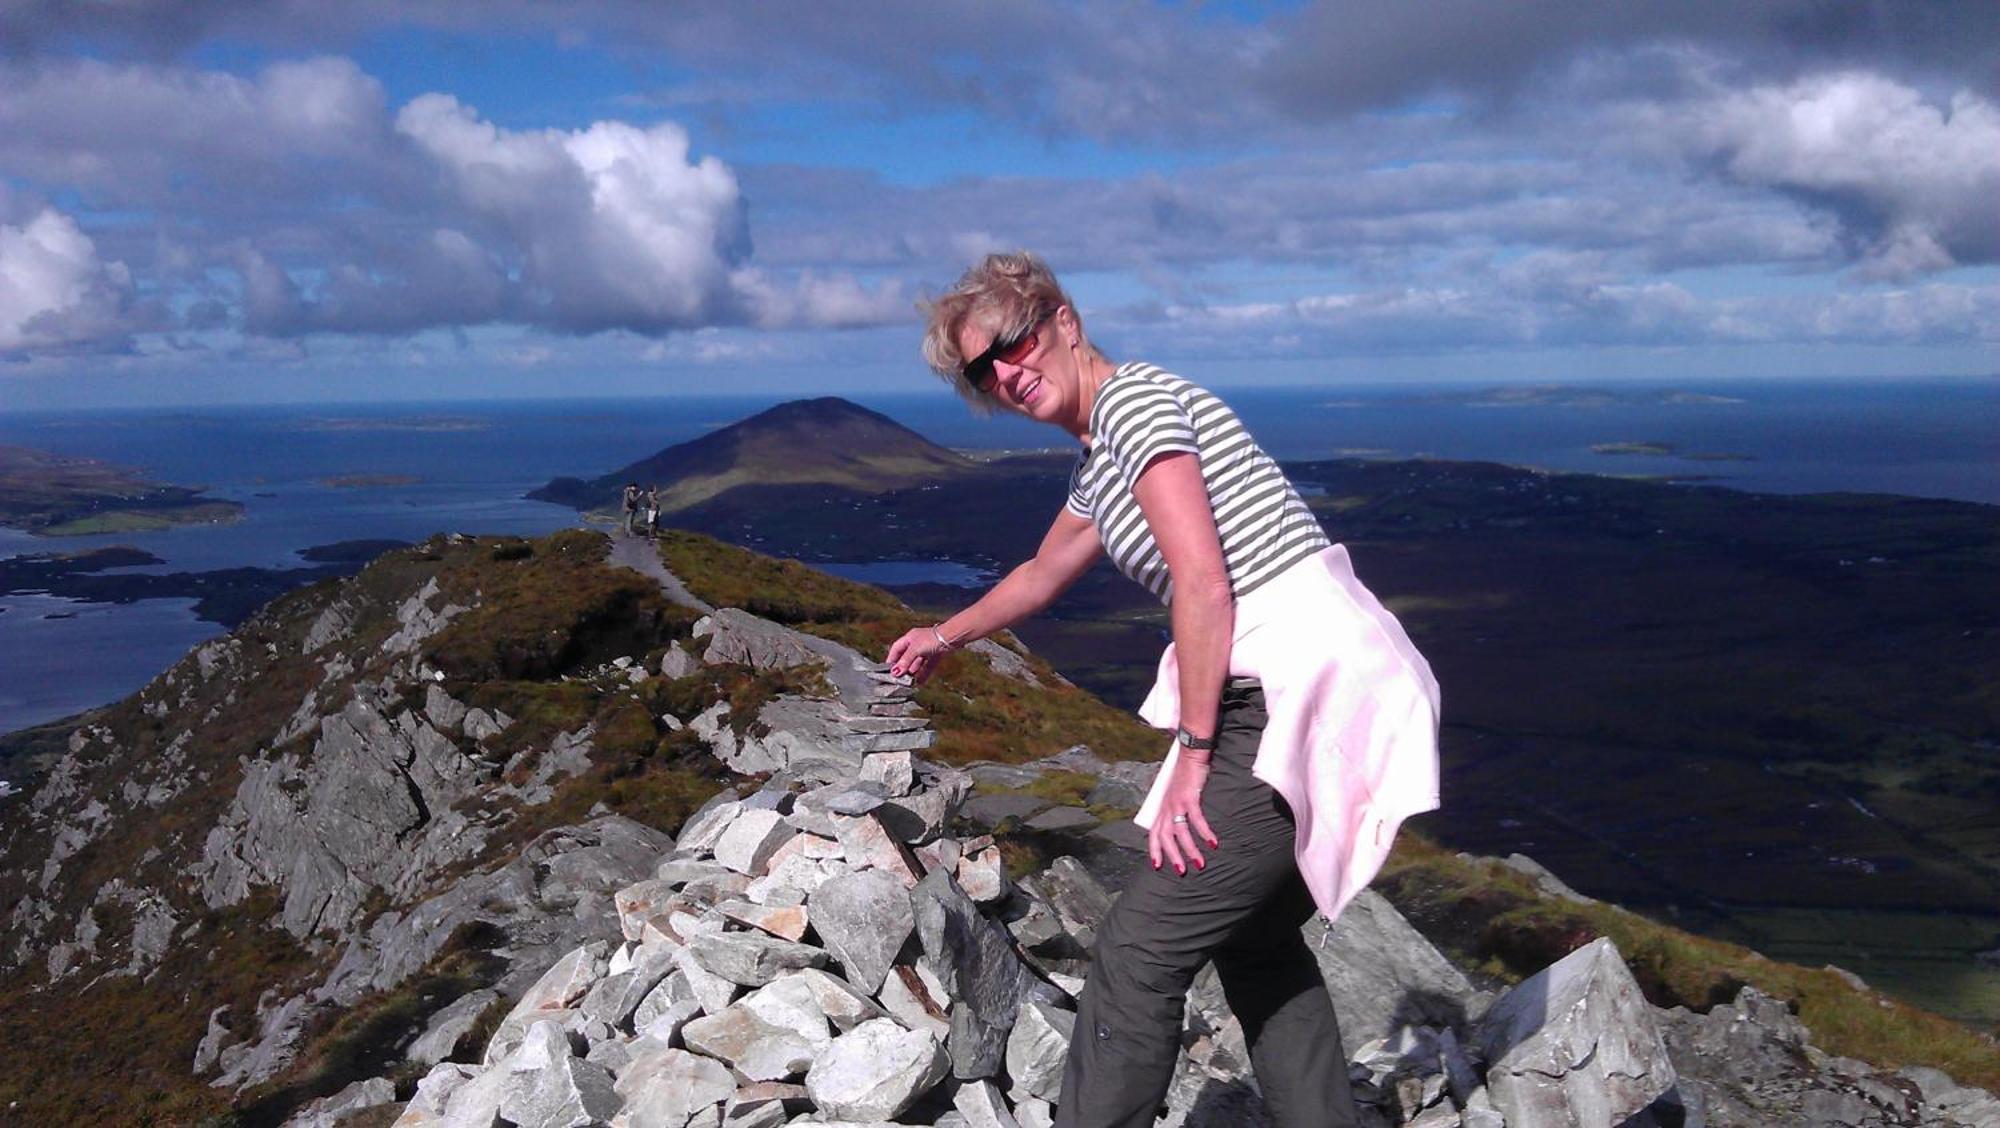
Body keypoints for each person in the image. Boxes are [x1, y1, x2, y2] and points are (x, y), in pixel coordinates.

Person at [886, 252, 1440, 1128]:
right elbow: (1040, 572)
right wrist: (944, 635)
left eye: (1013, 344)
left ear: (1064, 321)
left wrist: (1191, 753)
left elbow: (1203, 581)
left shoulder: (1135, 405)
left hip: (1303, 689)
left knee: (1139, 952)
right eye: (984, 371)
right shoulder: (1101, 459)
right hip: (1315, 681)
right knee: (1253, 936)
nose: (1006, 374)